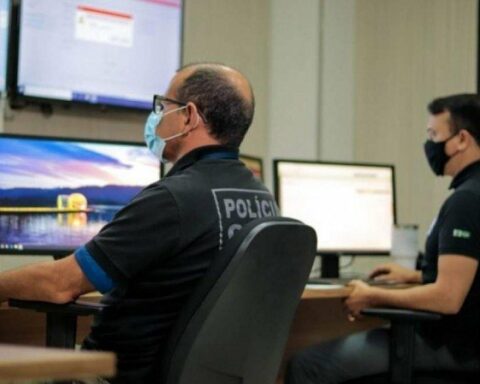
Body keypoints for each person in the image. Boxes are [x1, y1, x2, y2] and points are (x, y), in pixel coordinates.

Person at [0, 63, 279, 383]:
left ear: (188, 117)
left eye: (163, 106)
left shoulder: (173, 199)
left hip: (117, 375)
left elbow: (60, 285)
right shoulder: (263, 200)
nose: (157, 116)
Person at [286, 93, 480, 383]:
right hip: (468, 343)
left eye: (433, 134)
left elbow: (449, 298)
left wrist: (372, 294)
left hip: (451, 347)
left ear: (461, 139)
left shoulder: (466, 201)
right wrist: (416, 276)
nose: (429, 145)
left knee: (306, 363)